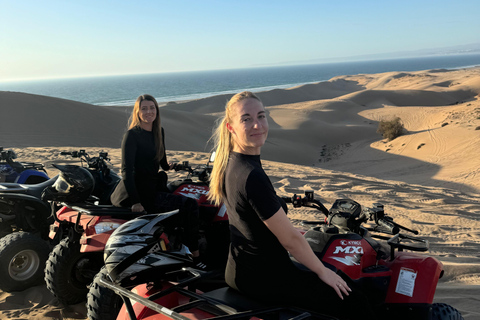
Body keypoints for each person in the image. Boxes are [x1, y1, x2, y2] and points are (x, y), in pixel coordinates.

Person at [207, 91, 376, 319]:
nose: (257, 125)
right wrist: (322, 271)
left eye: (261, 116)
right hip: (265, 277)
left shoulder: (232, 163)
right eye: (246, 119)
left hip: (240, 271)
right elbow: (291, 241)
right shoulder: (251, 175)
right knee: (354, 300)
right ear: (231, 127)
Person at [110, 94, 202, 262]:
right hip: (140, 193)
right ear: (137, 112)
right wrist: (136, 202)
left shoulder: (159, 132)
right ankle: (194, 255)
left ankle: (175, 247)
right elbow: (126, 171)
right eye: (144, 109)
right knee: (190, 205)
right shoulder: (132, 135)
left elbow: (162, 161)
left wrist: (172, 166)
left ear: (157, 111)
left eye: (152, 108)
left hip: (153, 186)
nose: (148, 112)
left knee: (180, 201)